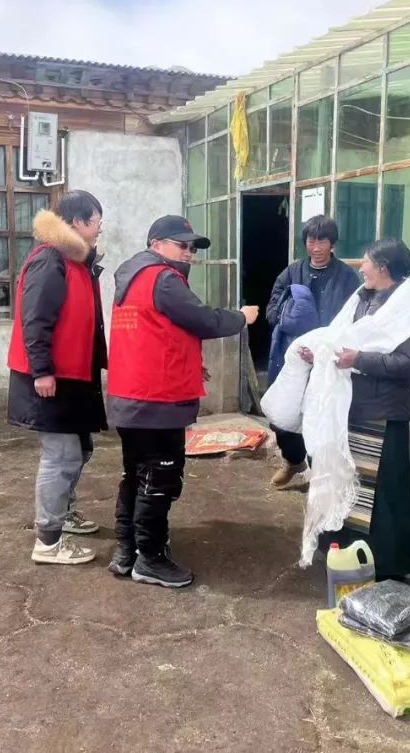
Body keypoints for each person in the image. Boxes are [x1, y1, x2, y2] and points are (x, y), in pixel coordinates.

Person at [107, 215, 258, 588]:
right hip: (157, 400)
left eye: (192, 248)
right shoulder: (163, 279)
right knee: (159, 477)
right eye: (182, 245)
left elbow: (156, 333)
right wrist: (241, 317)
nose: (189, 253)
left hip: (132, 396)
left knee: (135, 475)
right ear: (156, 244)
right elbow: (204, 320)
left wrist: (191, 363)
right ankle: (151, 558)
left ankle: (127, 551)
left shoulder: (133, 278)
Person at [298, 238, 410, 581]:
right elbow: (339, 338)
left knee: (383, 491)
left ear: (383, 267)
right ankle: (347, 550)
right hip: (350, 406)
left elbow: (409, 362)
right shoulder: (363, 298)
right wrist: (321, 353)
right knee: (348, 480)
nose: (361, 268)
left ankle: (389, 564)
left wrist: (358, 360)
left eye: (367, 262)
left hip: (384, 411)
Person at [6, 190, 108, 566]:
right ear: (78, 222)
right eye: (96, 222)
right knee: (61, 455)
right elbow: (35, 318)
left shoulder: (74, 260)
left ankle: (63, 515)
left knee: (81, 449)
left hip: (73, 375)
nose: (99, 229)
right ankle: (48, 541)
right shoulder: (50, 259)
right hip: (51, 378)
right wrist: (42, 371)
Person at [265, 215, 360, 491]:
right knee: (283, 414)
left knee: (320, 414)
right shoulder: (292, 273)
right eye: (311, 241)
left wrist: (323, 350)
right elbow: (272, 309)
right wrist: (289, 320)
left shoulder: (346, 277)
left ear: (332, 244)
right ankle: (293, 461)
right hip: (293, 357)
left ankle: (320, 475)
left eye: (322, 241)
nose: (316, 247)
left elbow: (354, 319)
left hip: (328, 358)